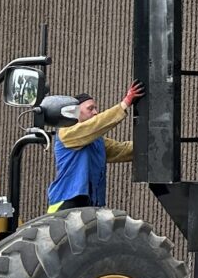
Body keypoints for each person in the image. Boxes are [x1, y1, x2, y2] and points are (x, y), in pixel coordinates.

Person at [47, 83, 142, 212]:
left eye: (96, 108)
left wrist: (152, 145)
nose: (96, 112)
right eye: (90, 109)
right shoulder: (66, 133)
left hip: (89, 204)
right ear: (75, 113)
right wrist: (124, 104)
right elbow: (95, 125)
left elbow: (122, 150)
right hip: (65, 204)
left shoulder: (97, 142)